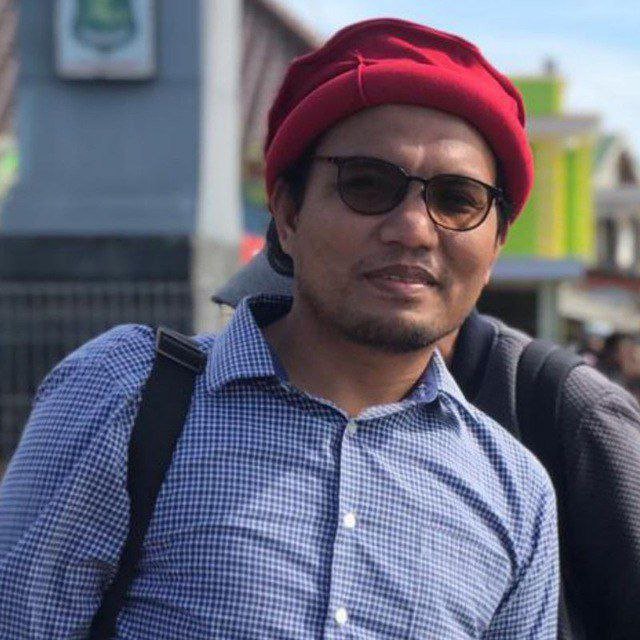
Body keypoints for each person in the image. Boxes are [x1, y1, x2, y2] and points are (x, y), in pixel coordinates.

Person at [0, 18, 558, 638]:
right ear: (288, 215)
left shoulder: (515, 494)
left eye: (457, 200)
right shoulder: (125, 395)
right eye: (367, 185)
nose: (413, 229)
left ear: (496, 244)